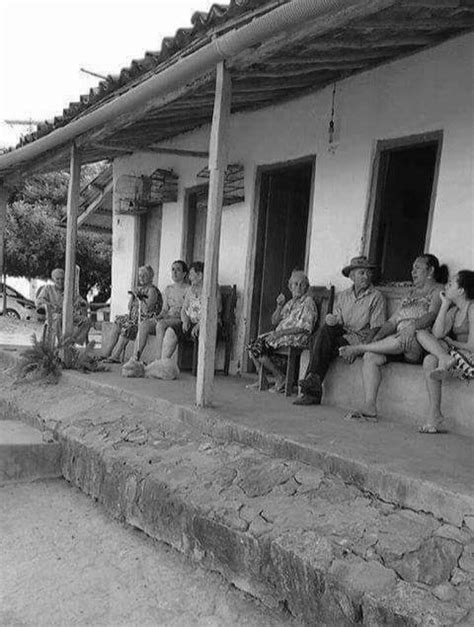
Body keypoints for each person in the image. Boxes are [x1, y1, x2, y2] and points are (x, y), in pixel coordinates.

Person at [339, 254, 447, 421]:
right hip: (397, 341)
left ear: (430, 270)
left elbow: (432, 314)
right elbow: (392, 321)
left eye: (417, 268)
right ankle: (370, 405)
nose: (413, 272)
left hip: (419, 344)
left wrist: (413, 326)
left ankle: (359, 347)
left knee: (404, 338)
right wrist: (378, 336)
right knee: (371, 356)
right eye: (412, 268)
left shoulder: (438, 290)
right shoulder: (410, 293)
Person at [293, 256, 386, 406]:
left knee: (318, 340)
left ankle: (311, 389)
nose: (366, 276)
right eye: (362, 273)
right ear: (352, 276)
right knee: (323, 332)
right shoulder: (343, 296)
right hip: (341, 333)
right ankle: (313, 384)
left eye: (368, 273)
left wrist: (356, 349)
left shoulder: (376, 297)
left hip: (359, 338)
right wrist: (331, 320)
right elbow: (337, 321)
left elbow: (376, 329)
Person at [415, 270, 474, 433]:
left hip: (471, 367)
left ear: (461, 290)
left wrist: (451, 342)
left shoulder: (472, 308)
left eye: (451, 284)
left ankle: (445, 359)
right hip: (456, 369)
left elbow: (473, 346)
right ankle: (435, 414)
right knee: (425, 344)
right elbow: (437, 334)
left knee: (441, 345)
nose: (446, 286)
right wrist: (445, 304)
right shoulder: (454, 311)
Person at [247, 270, 318, 393]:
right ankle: (262, 379)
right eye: (295, 284)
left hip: (296, 336)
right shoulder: (291, 303)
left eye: (302, 284)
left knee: (259, 347)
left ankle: (280, 377)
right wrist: (279, 305)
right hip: (283, 335)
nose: (298, 287)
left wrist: (280, 333)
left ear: (306, 287)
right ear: (290, 286)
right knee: (253, 345)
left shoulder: (308, 302)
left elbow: (304, 328)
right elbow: (274, 321)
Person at [160, 261, 221, 360]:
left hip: (209, 323)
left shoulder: (212, 288)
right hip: (192, 323)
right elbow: (184, 309)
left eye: (192, 275)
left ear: (200, 275)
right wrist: (185, 320)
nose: (189, 277)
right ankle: (163, 362)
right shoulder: (191, 289)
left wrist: (200, 324)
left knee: (202, 331)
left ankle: (201, 368)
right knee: (171, 331)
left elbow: (213, 311)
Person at [102, 265, 162, 363]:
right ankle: (107, 353)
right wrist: (133, 296)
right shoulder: (139, 289)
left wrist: (140, 298)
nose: (141, 278)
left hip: (144, 319)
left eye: (144, 275)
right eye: (140, 275)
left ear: (150, 277)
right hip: (134, 317)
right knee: (118, 322)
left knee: (128, 326)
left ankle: (115, 356)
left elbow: (147, 310)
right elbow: (130, 307)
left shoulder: (152, 290)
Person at [132, 260, 188, 361]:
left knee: (160, 325)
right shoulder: (168, 289)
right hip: (167, 317)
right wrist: (157, 317)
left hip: (179, 318)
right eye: (173, 269)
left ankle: (158, 359)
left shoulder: (188, 289)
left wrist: (165, 318)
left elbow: (186, 309)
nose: (174, 272)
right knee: (145, 324)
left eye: (178, 270)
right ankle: (135, 357)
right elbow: (165, 309)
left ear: (184, 274)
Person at [36, 267, 91, 345]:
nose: (60, 281)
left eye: (62, 279)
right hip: (53, 315)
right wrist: (50, 305)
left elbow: (79, 299)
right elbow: (39, 301)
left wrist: (82, 302)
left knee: (86, 320)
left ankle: (73, 340)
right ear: (53, 279)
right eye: (57, 279)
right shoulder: (48, 289)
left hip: (69, 315)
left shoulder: (69, 290)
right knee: (57, 318)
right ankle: (62, 343)